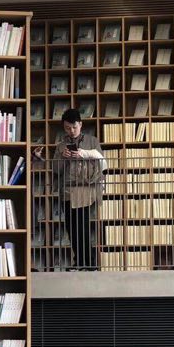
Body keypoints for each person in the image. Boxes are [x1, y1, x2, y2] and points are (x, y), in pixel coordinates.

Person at [53, 108, 105, 270]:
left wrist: (83, 154)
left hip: (85, 190)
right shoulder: (61, 146)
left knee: (82, 227)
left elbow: (102, 163)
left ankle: (88, 263)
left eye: (74, 127)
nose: (71, 131)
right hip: (67, 191)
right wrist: (63, 158)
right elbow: (56, 170)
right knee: (71, 228)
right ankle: (81, 262)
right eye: (67, 128)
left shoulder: (92, 141)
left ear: (80, 125)